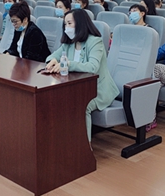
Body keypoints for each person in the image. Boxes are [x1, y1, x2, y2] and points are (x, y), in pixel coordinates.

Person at [45, 9, 118, 141]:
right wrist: (52, 60)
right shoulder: (70, 42)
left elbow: (93, 67)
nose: (66, 28)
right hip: (77, 88)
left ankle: (84, 146)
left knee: (80, 105)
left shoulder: (95, 42)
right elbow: (54, 55)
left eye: (69, 23)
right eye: (65, 24)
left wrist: (68, 64)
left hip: (98, 90)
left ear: (80, 23)